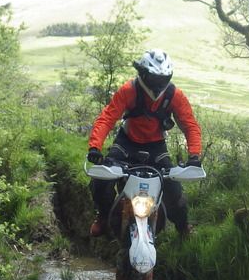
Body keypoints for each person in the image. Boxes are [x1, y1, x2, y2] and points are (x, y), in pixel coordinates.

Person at [86, 48, 202, 238]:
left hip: (156, 147)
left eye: (163, 79)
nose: (158, 84)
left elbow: (190, 125)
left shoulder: (174, 95)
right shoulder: (128, 90)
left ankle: (183, 228)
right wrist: (94, 147)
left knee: (174, 190)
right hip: (126, 144)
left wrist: (194, 156)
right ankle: (103, 217)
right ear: (143, 75)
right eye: (154, 79)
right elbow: (107, 118)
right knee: (101, 181)